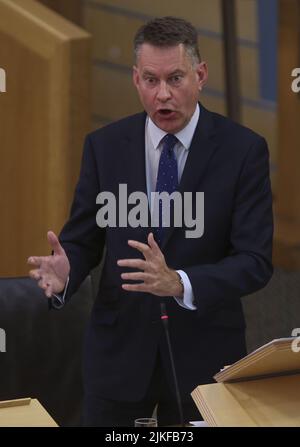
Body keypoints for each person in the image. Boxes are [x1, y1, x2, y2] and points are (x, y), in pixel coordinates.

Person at [28, 16, 273, 426]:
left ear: (200, 75)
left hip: (205, 356)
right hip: (119, 355)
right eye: (151, 80)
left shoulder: (243, 151)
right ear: (136, 80)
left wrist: (179, 282)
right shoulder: (104, 147)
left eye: (176, 78)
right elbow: (84, 239)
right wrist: (67, 269)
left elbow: (255, 261)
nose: (164, 95)